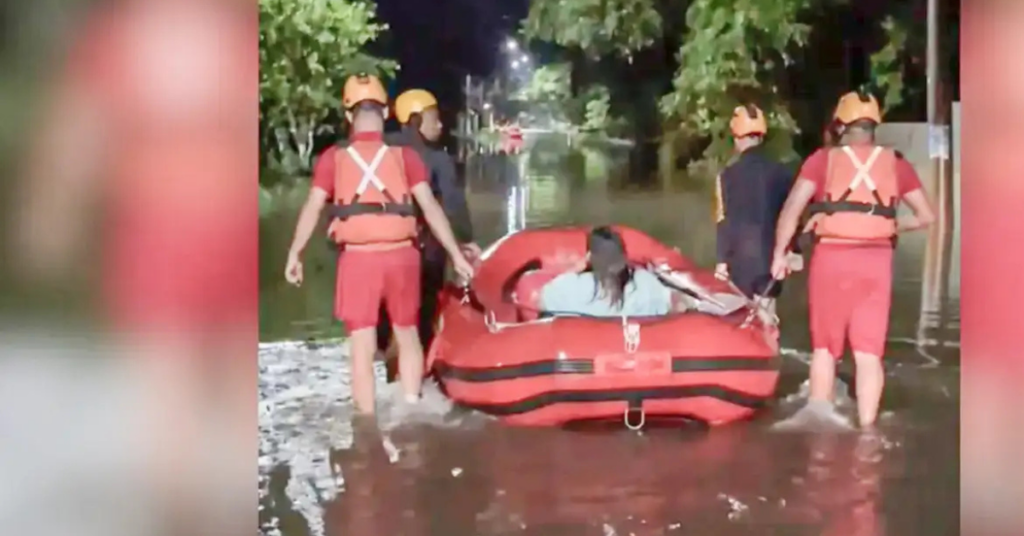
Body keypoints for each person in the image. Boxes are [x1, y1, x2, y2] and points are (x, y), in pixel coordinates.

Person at [284, 74, 475, 415]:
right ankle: (413, 407)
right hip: (403, 257)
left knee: (362, 345)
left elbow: (313, 208)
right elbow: (430, 208)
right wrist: (456, 254)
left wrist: (295, 253)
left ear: (347, 116)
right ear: (386, 112)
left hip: (359, 261)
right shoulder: (406, 157)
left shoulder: (332, 159)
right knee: (407, 333)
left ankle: (367, 423)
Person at [770, 91, 935, 428]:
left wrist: (779, 255)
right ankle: (868, 431)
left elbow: (791, 211)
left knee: (825, 350)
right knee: (869, 355)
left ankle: (819, 428)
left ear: (841, 126)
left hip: (832, 260)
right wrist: (890, 225)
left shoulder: (821, 160)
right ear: (874, 126)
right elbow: (926, 216)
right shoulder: (897, 163)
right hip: (876, 264)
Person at [376, 88, 480, 380]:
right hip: (422, 253)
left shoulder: (379, 152)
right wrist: (465, 241)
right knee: (422, 314)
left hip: (376, 250)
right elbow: (454, 204)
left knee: (384, 315)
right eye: (434, 119)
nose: (440, 126)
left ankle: (386, 360)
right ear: (417, 120)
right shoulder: (437, 159)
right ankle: (416, 375)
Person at [713, 104, 799, 316]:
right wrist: (793, 250)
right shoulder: (782, 172)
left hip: (739, 262)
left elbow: (723, 220)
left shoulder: (726, 176)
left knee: (742, 324)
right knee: (767, 320)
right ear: (761, 137)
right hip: (770, 259)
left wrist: (722, 261)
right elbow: (791, 214)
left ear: (736, 137)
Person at [539, 226, 675, 317]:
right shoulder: (646, 283)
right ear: (624, 257)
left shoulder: (569, 287)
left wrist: (575, 269)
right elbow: (676, 304)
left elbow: (541, 302)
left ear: (590, 257)